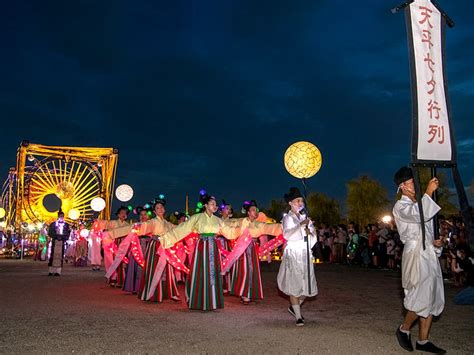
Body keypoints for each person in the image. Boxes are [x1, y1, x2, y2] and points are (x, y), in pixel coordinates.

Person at [392, 166, 446, 354]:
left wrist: (437, 244)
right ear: (402, 187)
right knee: (420, 293)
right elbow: (417, 214)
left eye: (413, 181)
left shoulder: (422, 203)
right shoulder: (401, 206)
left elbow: (428, 230)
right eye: (408, 183)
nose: (412, 185)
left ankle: (423, 340)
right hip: (415, 253)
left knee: (432, 294)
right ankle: (404, 329)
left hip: (428, 253)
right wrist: (429, 193)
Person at [159, 191, 240, 311]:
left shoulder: (218, 220)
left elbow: (229, 232)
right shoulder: (197, 218)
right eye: (212, 204)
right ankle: (199, 300)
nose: (215, 206)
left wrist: (242, 229)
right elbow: (183, 228)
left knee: (213, 272)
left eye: (215, 204)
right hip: (202, 247)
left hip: (213, 246)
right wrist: (166, 238)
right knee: (200, 272)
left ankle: (212, 301)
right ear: (205, 206)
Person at [225, 200, 282, 305]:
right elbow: (229, 225)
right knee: (245, 271)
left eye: (256, 210)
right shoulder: (242, 221)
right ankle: (244, 295)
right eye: (252, 210)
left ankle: (248, 294)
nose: (255, 212)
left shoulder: (258, 224)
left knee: (252, 271)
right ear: (248, 212)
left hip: (253, 249)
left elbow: (270, 228)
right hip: (243, 250)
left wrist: (283, 227)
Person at [277, 187, 318, 326]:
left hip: (305, 254)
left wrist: (309, 232)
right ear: (290, 203)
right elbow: (287, 235)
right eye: (297, 200)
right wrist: (300, 226)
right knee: (294, 283)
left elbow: (313, 238)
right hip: (294, 254)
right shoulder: (288, 218)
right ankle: (298, 316)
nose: (300, 203)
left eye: (301, 200)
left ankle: (294, 308)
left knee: (307, 286)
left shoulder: (306, 218)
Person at [95, 206, 131, 286]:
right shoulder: (114, 223)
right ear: (118, 215)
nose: (123, 215)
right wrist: (98, 221)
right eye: (122, 213)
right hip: (114, 244)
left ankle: (121, 280)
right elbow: (106, 224)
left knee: (121, 262)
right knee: (113, 261)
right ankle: (113, 278)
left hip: (123, 244)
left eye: (125, 213)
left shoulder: (127, 224)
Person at [47, 210, 71, 276]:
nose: (61, 217)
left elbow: (68, 233)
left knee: (60, 256)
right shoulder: (53, 224)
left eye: (62, 216)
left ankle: (58, 271)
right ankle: (51, 270)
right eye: (60, 216)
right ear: (58, 216)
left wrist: (62, 237)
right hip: (55, 241)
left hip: (62, 242)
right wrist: (56, 236)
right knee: (52, 255)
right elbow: (50, 232)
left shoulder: (66, 225)